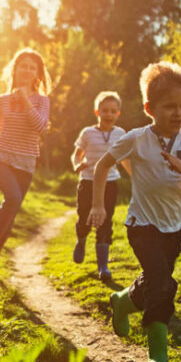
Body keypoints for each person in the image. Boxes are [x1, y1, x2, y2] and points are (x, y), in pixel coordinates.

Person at [87, 62, 181, 362]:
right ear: (149, 108)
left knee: (155, 282)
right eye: (169, 106)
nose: (178, 112)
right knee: (163, 283)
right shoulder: (137, 138)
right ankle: (158, 355)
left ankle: (123, 301)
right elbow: (102, 166)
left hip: (175, 228)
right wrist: (98, 206)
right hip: (142, 225)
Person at [0, 47, 52, 280]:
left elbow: (40, 127)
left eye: (31, 67)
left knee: (11, 209)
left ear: (37, 73)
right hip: (1, 157)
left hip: (26, 162)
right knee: (13, 198)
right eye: (22, 65)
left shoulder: (42, 101)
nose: (26, 70)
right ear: (14, 69)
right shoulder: (2, 100)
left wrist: (26, 101)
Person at [70, 91, 127, 280]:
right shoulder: (87, 133)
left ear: (118, 113)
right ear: (97, 112)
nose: (109, 114)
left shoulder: (121, 134)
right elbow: (76, 154)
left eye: (113, 111)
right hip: (87, 181)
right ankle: (81, 239)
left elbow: (126, 158)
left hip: (110, 183)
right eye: (105, 111)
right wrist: (77, 165)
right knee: (84, 217)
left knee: (105, 221)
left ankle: (103, 267)